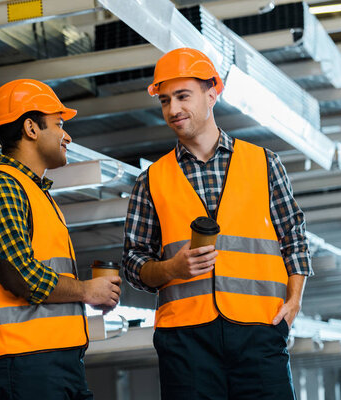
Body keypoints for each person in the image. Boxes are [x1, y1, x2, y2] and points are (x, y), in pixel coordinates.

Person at [122, 48, 312, 399]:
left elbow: (294, 237)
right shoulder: (151, 180)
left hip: (259, 329)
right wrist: (170, 269)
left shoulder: (264, 163)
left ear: (212, 93)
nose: (173, 109)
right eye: (164, 101)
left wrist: (294, 300)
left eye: (182, 96)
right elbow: (134, 262)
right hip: (185, 340)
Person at [0, 79, 121, 400]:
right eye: (59, 125)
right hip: (19, 361)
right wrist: (86, 290)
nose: (67, 135)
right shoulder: (0, 186)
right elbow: (21, 276)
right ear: (31, 128)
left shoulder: (32, 191)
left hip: (46, 360)